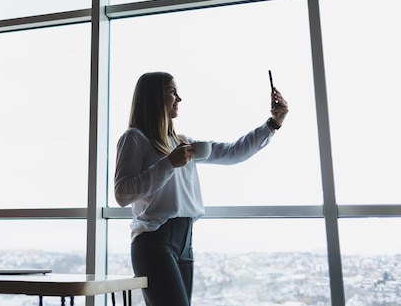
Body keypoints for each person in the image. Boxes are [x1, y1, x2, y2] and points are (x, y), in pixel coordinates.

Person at [114, 71, 288, 306]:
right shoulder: (134, 138)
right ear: (154, 97)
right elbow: (123, 193)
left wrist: (273, 124)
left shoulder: (183, 142)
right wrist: (167, 164)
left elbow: (232, 152)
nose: (179, 98)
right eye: (172, 91)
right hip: (154, 241)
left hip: (185, 242)